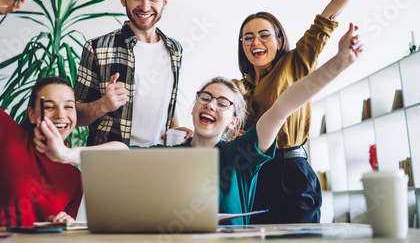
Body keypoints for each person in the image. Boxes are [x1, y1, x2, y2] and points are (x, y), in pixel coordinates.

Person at [35, 24, 364, 225]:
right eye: (205, 98)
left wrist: (338, 64)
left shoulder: (242, 154)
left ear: (234, 121)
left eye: (223, 103)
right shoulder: (171, 154)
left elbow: (283, 106)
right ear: (193, 107)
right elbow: (121, 151)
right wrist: (65, 154)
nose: (211, 105)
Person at [0, 0, 126, 226]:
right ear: (32, 114)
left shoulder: (75, 178)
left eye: (69, 106)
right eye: (49, 106)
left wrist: (64, 224)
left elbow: (62, 228)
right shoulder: (7, 137)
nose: (61, 114)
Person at [236, 0, 387, 224]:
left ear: (279, 41)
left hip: (292, 173)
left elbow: (327, 16)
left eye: (264, 34)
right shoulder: (238, 88)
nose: (256, 41)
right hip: (252, 177)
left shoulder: (296, 62)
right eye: (248, 37)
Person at [74, 0, 186, 147]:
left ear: (164, 2)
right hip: (112, 163)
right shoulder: (97, 48)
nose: (145, 6)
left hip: (160, 160)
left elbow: (167, 100)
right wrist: (104, 105)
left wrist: (176, 129)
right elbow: (76, 116)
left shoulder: (175, 50)